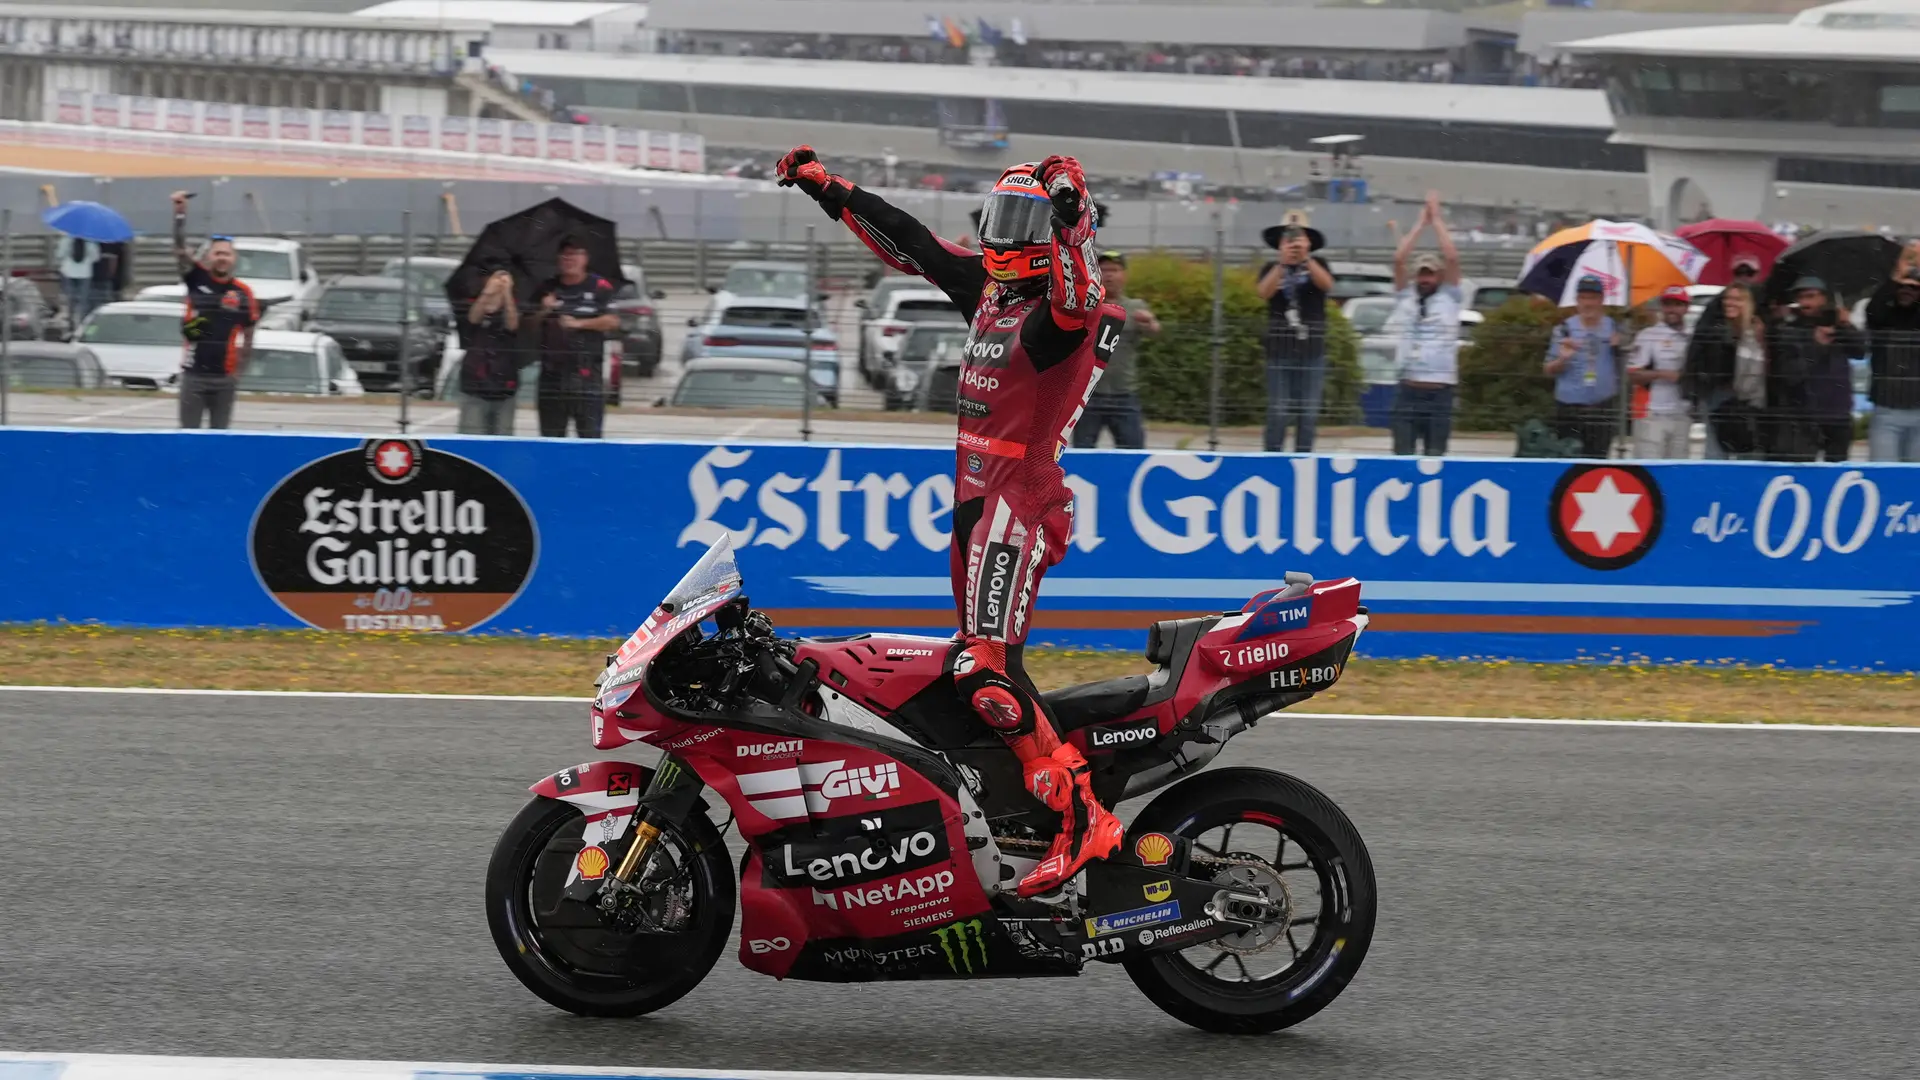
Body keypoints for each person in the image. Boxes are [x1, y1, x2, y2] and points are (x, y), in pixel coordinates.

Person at [776, 143, 1126, 897]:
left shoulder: (1058, 317)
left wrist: (1070, 219)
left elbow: (1081, 293)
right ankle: (1020, 811)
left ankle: (1083, 818)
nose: (1001, 237)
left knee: (981, 668)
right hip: (973, 499)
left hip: (1016, 499)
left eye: (1020, 221)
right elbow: (916, 243)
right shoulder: (993, 295)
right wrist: (831, 190)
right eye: (1001, 217)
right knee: (981, 662)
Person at [169, 189, 257, 430]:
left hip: (224, 379)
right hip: (193, 375)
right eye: (217, 253)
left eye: (226, 254)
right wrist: (179, 215)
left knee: (220, 441)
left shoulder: (243, 293)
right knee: (188, 438)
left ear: (234, 259)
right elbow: (179, 249)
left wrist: (238, 373)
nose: (222, 258)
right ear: (209, 256)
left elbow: (249, 336)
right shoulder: (196, 278)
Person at [1387, 190, 1462, 456]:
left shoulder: (1450, 297)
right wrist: (1421, 224)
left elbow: (1452, 258)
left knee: (1435, 457)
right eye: (1421, 274)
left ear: (1439, 276)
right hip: (1408, 389)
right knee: (1403, 457)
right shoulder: (1406, 296)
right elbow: (1398, 260)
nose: (1425, 279)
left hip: (1439, 392)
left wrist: (1437, 221)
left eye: (1430, 274)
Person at [1256, 220, 1335, 452]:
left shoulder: (1318, 264)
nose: (1293, 244)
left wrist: (1306, 259)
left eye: (1298, 239)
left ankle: (1303, 459)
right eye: (1288, 240)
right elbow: (1263, 292)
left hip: (1312, 350)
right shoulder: (1271, 267)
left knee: (1308, 413)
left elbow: (1327, 285)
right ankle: (1272, 458)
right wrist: (1282, 264)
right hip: (1279, 349)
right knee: (1278, 411)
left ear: (1308, 242)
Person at [1765, 275, 1862, 462]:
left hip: (1837, 412)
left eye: (1810, 296)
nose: (1805, 302)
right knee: (1802, 469)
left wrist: (1846, 325)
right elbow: (1789, 374)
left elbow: (1860, 351)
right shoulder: (1789, 329)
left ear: (1823, 298)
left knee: (1836, 471)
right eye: (1801, 297)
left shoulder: (1838, 325)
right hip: (1804, 415)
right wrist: (1817, 345)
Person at [532, 237, 618, 439]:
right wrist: (544, 310)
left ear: (585, 258)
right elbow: (528, 325)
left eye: (575, 253)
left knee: (590, 440)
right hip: (552, 377)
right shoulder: (547, 287)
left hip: (587, 375)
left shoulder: (600, 286)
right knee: (551, 440)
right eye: (565, 254)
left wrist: (579, 324)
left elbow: (613, 321)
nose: (569, 258)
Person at [1071, 250, 1157, 450]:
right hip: (1087, 395)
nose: (1109, 275)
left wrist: (1150, 322)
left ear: (1124, 275)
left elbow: (1155, 332)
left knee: (1133, 454)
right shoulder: (1085, 306)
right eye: (1104, 269)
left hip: (1124, 395)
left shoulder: (1136, 307)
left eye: (1115, 270)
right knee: (1083, 453)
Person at [1684, 282, 1770, 459]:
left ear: (1747, 303)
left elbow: (1763, 365)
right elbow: (1702, 360)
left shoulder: (1756, 329)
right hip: (1719, 398)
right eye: (1728, 298)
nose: (1729, 303)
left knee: (1749, 452)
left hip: (1751, 401)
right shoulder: (1716, 329)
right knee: (1715, 452)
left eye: (1737, 299)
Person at [1542, 275, 1621, 458]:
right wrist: (1562, 359)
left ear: (1601, 300)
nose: (1588, 303)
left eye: (1592, 298)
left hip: (1602, 407)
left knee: (1598, 463)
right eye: (1583, 298)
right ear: (1577, 300)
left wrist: (1619, 348)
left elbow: (1626, 367)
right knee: (1568, 461)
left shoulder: (1613, 327)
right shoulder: (1564, 329)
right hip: (1570, 408)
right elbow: (1547, 370)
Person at [1863, 244, 1920, 462]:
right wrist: (1896, 275)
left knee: (1916, 482)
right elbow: (1873, 310)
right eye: (1903, 287)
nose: (1907, 290)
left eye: (1914, 287)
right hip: (1887, 411)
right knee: (1884, 477)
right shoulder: (1883, 318)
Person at [1628, 286, 1694, 459]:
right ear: (1661, 307)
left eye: (1678, 304)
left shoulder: (1693, 337)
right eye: (1668, 304)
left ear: (1686, 308)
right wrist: (1663, 374)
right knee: (1649, 471)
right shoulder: (1647, 335)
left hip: (1683, 413)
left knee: (1677, 472)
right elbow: (1634, 375)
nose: (1672, 309)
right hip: (1651, 414)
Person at [458, 268, 523, 436]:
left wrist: (507, 293)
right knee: (472, 435)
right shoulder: (474, 302)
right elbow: (473, 319)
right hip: (474, 384)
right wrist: (487, 293)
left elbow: (512, 325)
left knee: (502, 437)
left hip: (504, 385)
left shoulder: (513, 307)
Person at [59, 234, 101, 326]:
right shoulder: (90, 241)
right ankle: (82, 323)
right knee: (83, 301)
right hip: (85, 273)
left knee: (70, 299)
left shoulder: (66, 239)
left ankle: (70, 323)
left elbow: (60, 254)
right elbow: (96, 258)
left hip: (69, 272)